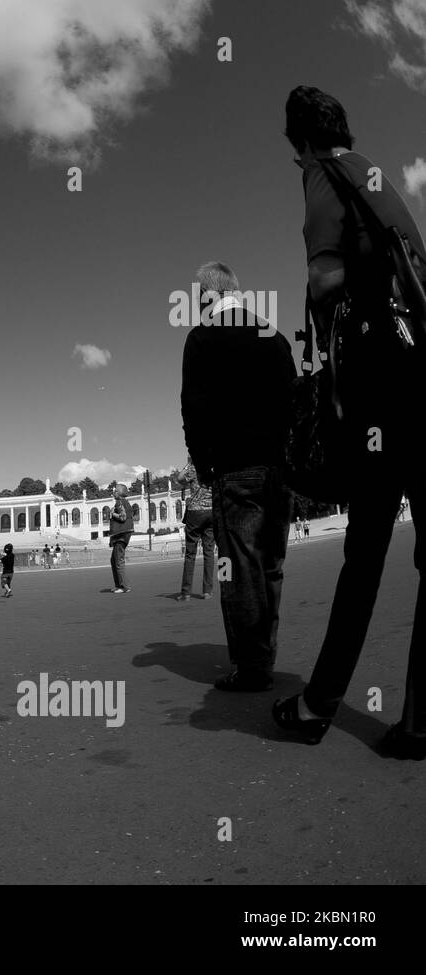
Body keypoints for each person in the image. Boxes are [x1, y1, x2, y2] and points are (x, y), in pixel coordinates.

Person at [273, 86, 426, 755]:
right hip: (423, 374)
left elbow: (327, 284)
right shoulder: (378, 176)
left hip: (379, 388)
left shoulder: (322, 178)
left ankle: (315, 706)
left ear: (303, 140)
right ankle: (419, 720)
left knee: (364, 552)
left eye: (292, 149)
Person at [182, 260, 295, 691]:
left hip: (235, 467)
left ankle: (253, 666)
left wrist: (203, 463)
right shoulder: (274, 335)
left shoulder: (202, 338)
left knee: (239, 567)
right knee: (271, 565)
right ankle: (266, 651)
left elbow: (192, 409)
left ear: (208, 296)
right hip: (279, 468)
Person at [175, 455, 215, 601]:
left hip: (195, 513)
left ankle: (186, 592)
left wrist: (188, 464)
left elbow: (179, 479)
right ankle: (207, 591)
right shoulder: (212, 468)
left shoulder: (193, 468)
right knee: (209, 552)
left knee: (190, 553)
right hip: (211, 512)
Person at [108, 486, 135, 594]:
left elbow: (123, 517)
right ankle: (118, 584)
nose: (113, 493)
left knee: (118, 560)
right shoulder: (123, 502)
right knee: (114, 559)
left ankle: (124, 586)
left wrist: (112, 514)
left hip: (121, 535)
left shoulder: (120, 502)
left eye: (114, 491)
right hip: (122, 534)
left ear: (119, 493)